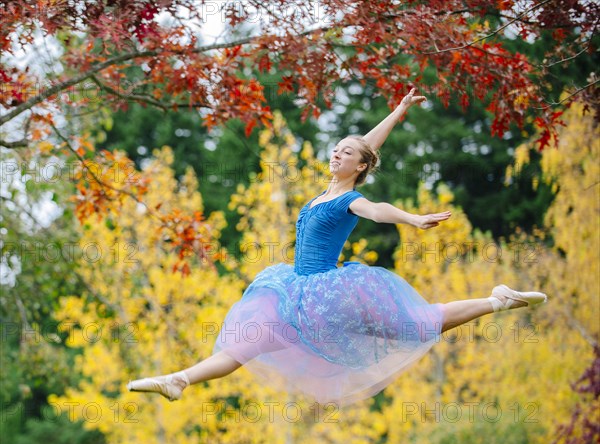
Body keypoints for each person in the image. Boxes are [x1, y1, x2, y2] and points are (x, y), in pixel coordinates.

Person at [127, 89, 547, 406]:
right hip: (291, 289)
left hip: (328, 297)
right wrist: (397, 113)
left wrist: (412, 219)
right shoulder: (329, 189)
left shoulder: (349, 199)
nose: (337, 152)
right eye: (337, 147)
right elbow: (368, 144)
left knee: (414, 324)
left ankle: (497, 301)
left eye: (346, 152)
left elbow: (378, 210)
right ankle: (180, 379)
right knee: (244, 344)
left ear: (359, 166)